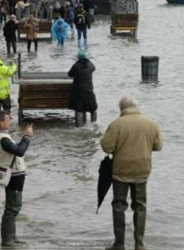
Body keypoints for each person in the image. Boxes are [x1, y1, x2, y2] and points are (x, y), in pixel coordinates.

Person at [100, 96, 163, 250]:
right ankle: (139, 244)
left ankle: (119, 244)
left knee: (119, 206)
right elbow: (158, 145)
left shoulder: (117, 124)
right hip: (142, 170)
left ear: (122, 109)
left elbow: (106, 147)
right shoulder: (152, 123)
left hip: (121, 171)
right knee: (140, 206)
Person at [0, 111, 33, 247]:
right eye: (7, 120)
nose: (10, 122)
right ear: (1, 123)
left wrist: (25, 136)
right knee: (12, 208)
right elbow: (20, 150)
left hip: (15, 176)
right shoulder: (3, 138)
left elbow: (16, 150)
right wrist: (27, 136)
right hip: (13, 176)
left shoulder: (4, 136)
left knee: (13, 206)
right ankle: (7, 240)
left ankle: (12, 236)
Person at [68, 50, 97, 123]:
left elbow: (70, 74)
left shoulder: (76, 66)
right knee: (93, 109)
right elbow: (94, 68)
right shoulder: (90, 65)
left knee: (79, 109)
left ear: (78, 58)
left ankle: (79, 126)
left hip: (79, 92)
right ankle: (94, 124)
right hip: (89, 90)